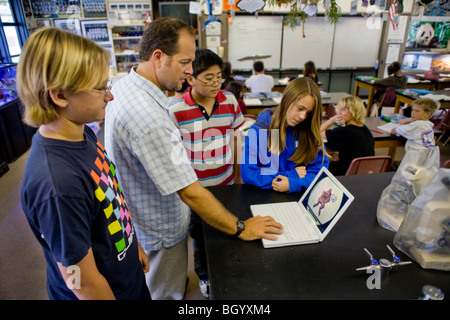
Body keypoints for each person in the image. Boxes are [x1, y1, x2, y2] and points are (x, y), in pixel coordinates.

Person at [104, 17, 282, 300]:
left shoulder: (129, 88)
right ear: (159, 57)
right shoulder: (152, 117)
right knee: (165, 291)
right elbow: (189, 190)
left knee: (165, 281)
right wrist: (242, 228)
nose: (189, 71)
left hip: (146, 217)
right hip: (160, 226)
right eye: (185, 62)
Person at [17, 27, 150, 300]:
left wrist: (132, 245)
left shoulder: (82, 132)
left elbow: (109, 199)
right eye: (100, 88)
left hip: (124, 275)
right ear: (60, 95)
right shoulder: (57, 184)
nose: (109, 96)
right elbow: (80, 282)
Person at [170, 48, 245, 298]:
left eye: (219, 76)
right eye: (209, 78)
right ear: (190, 78)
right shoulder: (176, 110)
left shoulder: (230, 101)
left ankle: (227, 271)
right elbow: (175, 154)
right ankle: (203, 276)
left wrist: (237, 175)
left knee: (227, 228)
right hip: (196, 191)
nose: (216, 83)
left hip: (224, 183)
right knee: (200, 238)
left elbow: (236, 139)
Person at [240, 77, 329, 193]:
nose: (303, 116)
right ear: (287, 100)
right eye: (300, 108)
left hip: (296, 198)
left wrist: (294, 183)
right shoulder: (261, 129)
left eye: (308, 112)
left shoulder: (308, 131)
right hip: (264, 197)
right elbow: (249, 173)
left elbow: (319, 172)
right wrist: (289, 175)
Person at [320, 96, 375, 176]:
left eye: (344, 110)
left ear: (354, 112)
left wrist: (332, 120)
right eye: (339, 108)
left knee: (318, 166)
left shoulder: (344, 131)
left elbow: (319, 132)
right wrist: (341, 157)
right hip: (365, 173)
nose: (338, 112)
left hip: (347, 173)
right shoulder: (364, 128)